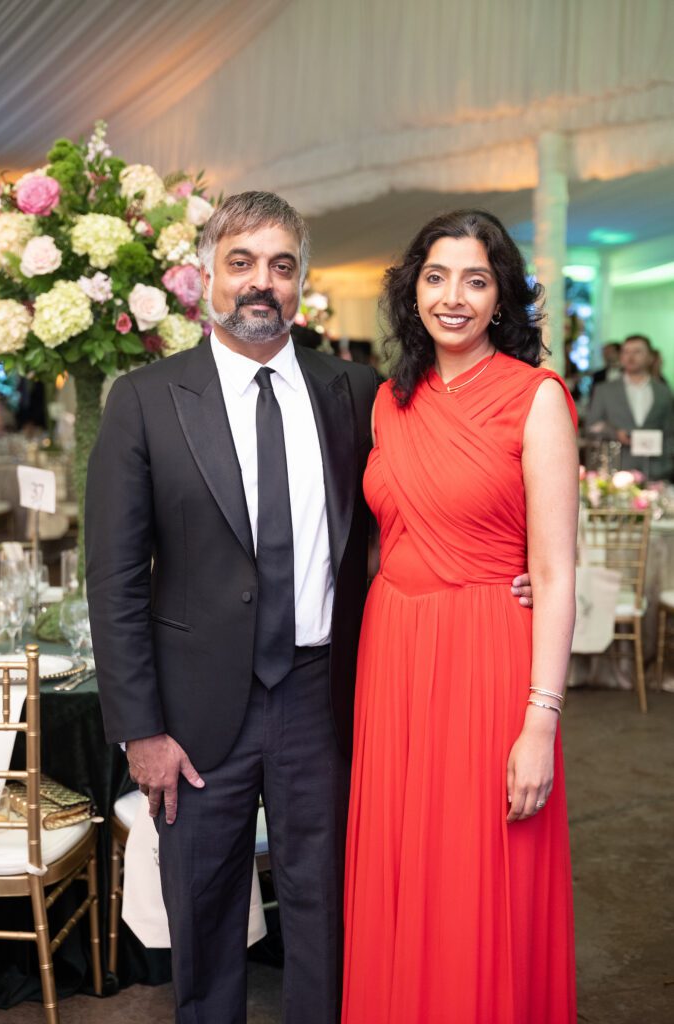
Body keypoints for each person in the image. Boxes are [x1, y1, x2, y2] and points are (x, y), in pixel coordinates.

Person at [86, 192, 534, 1023]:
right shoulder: (145, 398)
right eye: (242, 263)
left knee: (327, 911)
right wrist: (140, 729)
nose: (262, 282)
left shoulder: (358, 391)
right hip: (192, 716)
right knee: (203, 913)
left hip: (324, 696)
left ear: (301, 282)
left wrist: (521, 567)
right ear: (206, 277)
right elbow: (113, 579)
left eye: (282, 266)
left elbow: (428, 501)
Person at [342, 210, 578, 1024]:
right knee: (400, 859)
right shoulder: (387, 402)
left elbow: (554, 571)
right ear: (412, 291)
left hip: (484, 654)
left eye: (475, 280)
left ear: (501, 297)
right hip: (392, 652)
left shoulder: (535, 399)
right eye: (436, 277)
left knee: (477, 865)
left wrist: (540, 720)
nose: (453, 297)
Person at [586, 333, 674, 479]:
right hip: (617, 469)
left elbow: (670, 431)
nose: (630, 357)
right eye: (626, 352)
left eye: (637, 351)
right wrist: (615, 433)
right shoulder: (604, 390)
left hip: (656, 470)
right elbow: (591, 426)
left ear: (650, 357)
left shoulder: (663, 391)